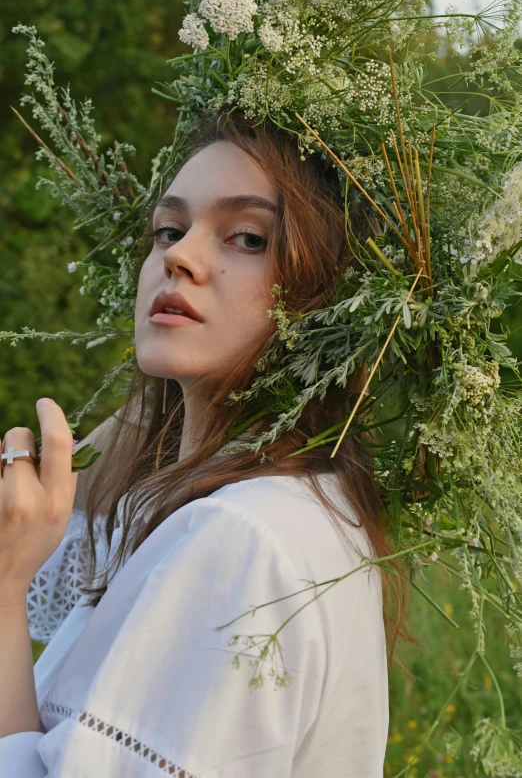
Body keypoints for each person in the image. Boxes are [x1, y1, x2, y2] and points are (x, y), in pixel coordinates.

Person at [0, 112, 410, 777]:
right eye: (168, 229)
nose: (179, 256)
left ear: (327, 298)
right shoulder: (264, 502)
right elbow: (75, 530)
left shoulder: (239, 539)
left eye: (247, 237)